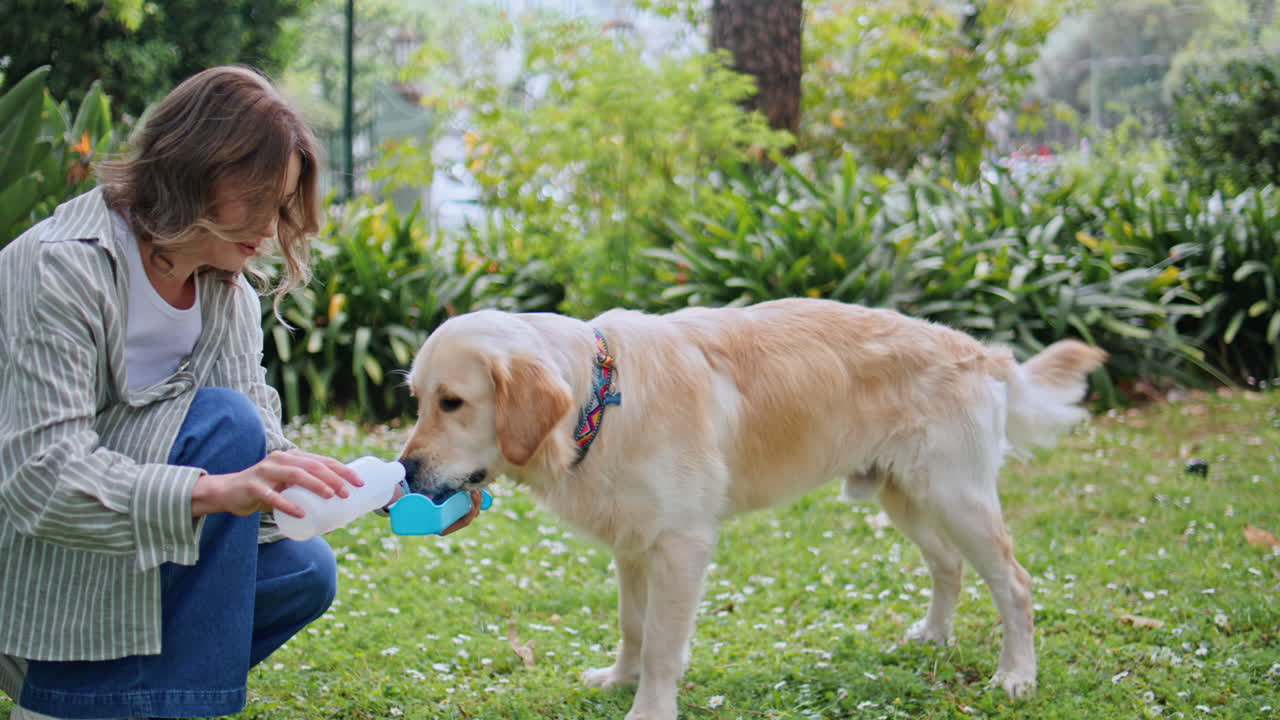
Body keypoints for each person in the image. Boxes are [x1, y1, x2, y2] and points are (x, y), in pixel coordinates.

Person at [0, 65, 480, 719]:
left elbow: (262, 460)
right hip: (40, 560)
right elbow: (40, 479)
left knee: (304, 572)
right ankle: (67, 701)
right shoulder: (62, 266)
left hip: (135, 553)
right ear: (194, 171)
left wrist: (390, 489)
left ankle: (127, 704)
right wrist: (215, 490)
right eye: (259, 199)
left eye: (281, 205)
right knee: (223, 423)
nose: (272, 226)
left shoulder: (226, 292)